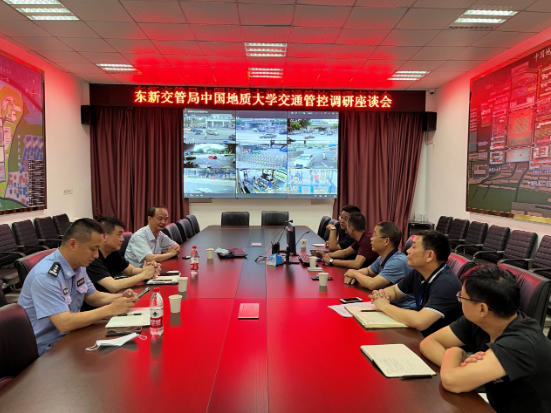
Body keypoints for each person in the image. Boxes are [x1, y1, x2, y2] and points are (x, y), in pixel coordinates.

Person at [420, 265, 551, 413]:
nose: (459, 300)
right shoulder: (480, 320)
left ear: (482, 308)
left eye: (462, 296)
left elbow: (451, 381)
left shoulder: (521, 343)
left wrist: (455, 352)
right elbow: (429, 343)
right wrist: (459, 367)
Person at [18, 219, 137, 356]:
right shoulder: (46, 276)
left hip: (71, 336)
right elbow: (64, 323)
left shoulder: (79, 265)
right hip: (48, 349)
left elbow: (93, 297)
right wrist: (110, 309)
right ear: (73, 244)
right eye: (93, 249)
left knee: (125, 349)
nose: (96, 255)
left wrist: (120, 298)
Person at [369, 230, 462, 336]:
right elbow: (395, 291)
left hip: (442, 342)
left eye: (413, 247)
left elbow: (420, 321)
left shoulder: (446, 284)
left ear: (429, 255)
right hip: (423, 336)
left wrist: (384, 306)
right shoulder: (418, 272)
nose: (407, 251)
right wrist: (381, 295)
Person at [82, 217, 162, 311]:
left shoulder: (112, 252)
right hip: (96, 309)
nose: (122, 239)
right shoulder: (92, 258)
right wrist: (143, 275)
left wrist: (148, 270)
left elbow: (130, 270)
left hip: (109, 302)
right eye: (119, 235)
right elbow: (113, 286)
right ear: (104, 236)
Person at [344, 222, 416, 309]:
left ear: (386, 241)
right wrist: (354, 274)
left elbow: (372, 284)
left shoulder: (398, 261)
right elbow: (368, 271)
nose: (371, 239)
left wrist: (354, 273)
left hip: (403, 308)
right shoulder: (383, 257)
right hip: (388, 303)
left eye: (374, 235)